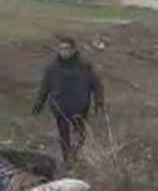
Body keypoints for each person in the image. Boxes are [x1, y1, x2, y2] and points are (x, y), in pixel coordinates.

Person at [33, 36, 104, 165]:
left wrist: (99, 100)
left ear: (73, 49)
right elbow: (45, 87)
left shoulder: (84, 66)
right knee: (63, 135)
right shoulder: (53, 69)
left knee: (80, 134)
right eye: (61, 49)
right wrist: (39, 104)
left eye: (66, 48)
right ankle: (67, 160)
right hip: (61, 107)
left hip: (80, 106)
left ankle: (76, 154)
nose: (63, 51)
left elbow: (96, 84)